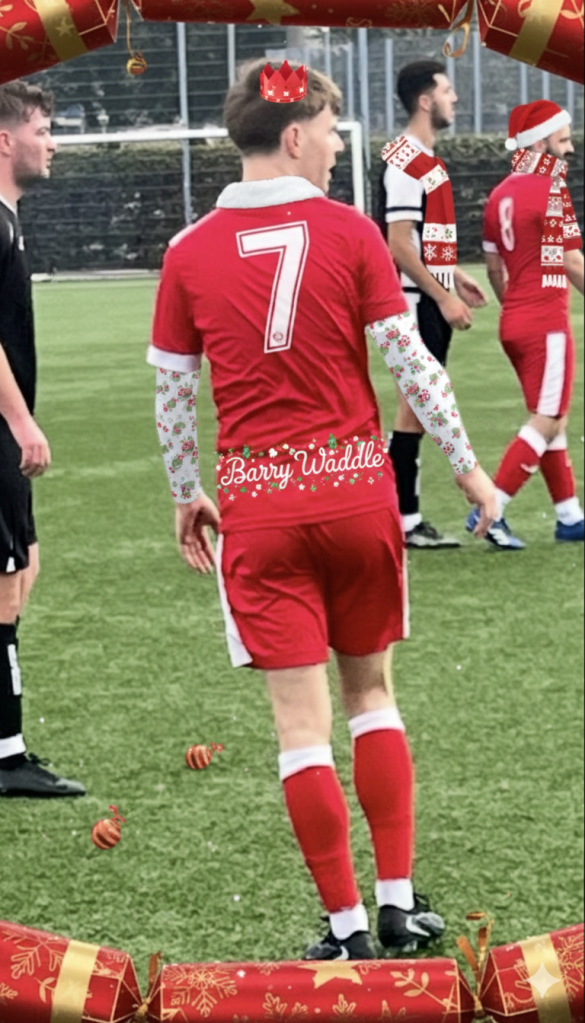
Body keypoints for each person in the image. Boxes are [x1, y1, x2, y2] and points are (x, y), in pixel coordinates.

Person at [148, 60, 496, 960]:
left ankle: (345, 929)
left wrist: (187, 493)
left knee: (299, 729)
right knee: (371, 695)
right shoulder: (348, 232)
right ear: (295, 134)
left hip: (259, 508)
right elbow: (412, 363)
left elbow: (173, 396)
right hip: (354, 494)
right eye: (332, 131)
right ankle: (396, 904)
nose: (339, 148)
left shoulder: (187, 251)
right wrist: (467, 471)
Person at [0, 82, 85, 797]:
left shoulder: (9, 220)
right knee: (5, 580)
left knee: (23, 564)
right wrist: (20, 419)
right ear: (4, 141)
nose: (52, 142)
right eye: (41, 129)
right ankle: (7, 755)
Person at [379, 60, 488, 548]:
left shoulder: (421, 157)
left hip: (423, 297)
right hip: (414, 304)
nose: (454, 98)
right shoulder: (408, 159)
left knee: (416, 410)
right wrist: (443, 297)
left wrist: (455, 276)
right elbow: (398, 243)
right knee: (417, 409)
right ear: (425, 101)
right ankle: (402, 520)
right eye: (446, 90)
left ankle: (402, 517)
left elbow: (419, 239)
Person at [467, 100, 584, 548]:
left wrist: (514, 305)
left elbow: (494, 268)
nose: (569, 149)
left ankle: (569, 516)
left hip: (514, 320)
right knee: (547, 417)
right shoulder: (550, 189)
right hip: (545, 321)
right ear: (539, 144)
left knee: (552, 417)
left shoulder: (499, 194)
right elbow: (572, 262)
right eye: (563, 140)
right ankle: (491, 508)